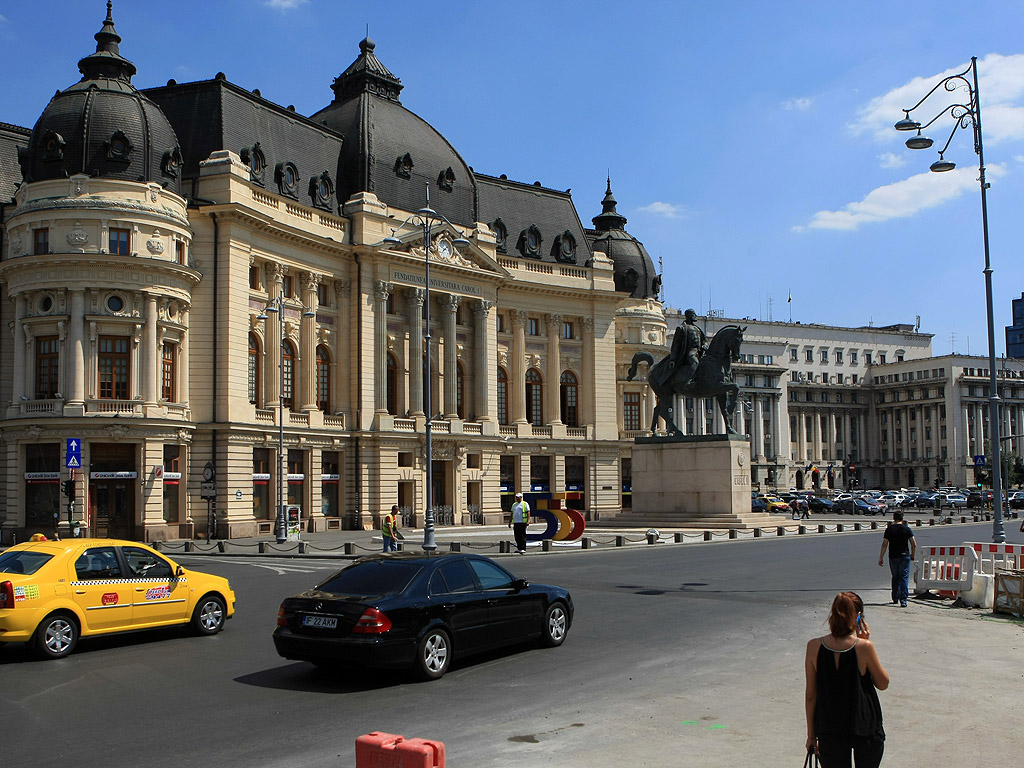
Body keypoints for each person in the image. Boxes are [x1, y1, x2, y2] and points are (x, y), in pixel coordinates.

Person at [805, 591, 889, 767]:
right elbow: (883, 683)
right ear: (858, 617)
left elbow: (811, 695)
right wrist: (865, 641)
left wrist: (811, 735)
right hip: (865, 727)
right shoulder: (864, 647)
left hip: (829, 728)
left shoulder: (813, 647)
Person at [878, 510, 916, 607]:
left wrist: (881, 557)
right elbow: (914, 544)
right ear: (902, 518)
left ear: (893, 518)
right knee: (904, 578)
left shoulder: (889, 529)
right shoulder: (907, 529)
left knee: (895, 577)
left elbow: (884, 544)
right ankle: (903, 600)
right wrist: (912, 555)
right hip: (905, 555)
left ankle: (895, 597)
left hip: (893, 556)